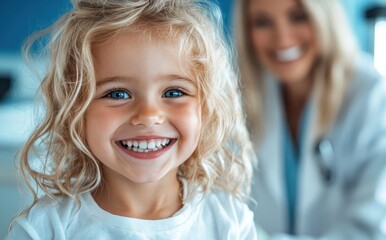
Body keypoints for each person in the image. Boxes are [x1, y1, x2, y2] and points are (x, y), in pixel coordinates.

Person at [7, 0, 257, 239]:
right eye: (117, 94)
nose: (148, 115)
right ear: (75, 109)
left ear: (207, 107)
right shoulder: (45, 230)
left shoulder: (229, 222)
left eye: (173, 92)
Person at [234, 0, 386, 239]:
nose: (282, 38)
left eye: (298, 17)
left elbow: (376, 227)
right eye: (262, 22)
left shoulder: (377, 99)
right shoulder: (239, 100)